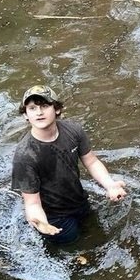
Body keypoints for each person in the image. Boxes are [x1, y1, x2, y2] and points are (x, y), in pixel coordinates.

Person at [11, 85, 127, 244]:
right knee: (74, 249)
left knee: (99, 237)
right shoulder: (25, 155)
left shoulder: (73, 130)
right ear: (25, 115)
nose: (39, 112)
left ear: (57, 109)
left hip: (80, 201)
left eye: (44, 106)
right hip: (54, 217)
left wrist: (110, 185)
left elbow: (91, 161)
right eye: (32, 108)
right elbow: (32, 203)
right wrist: (42, 224)